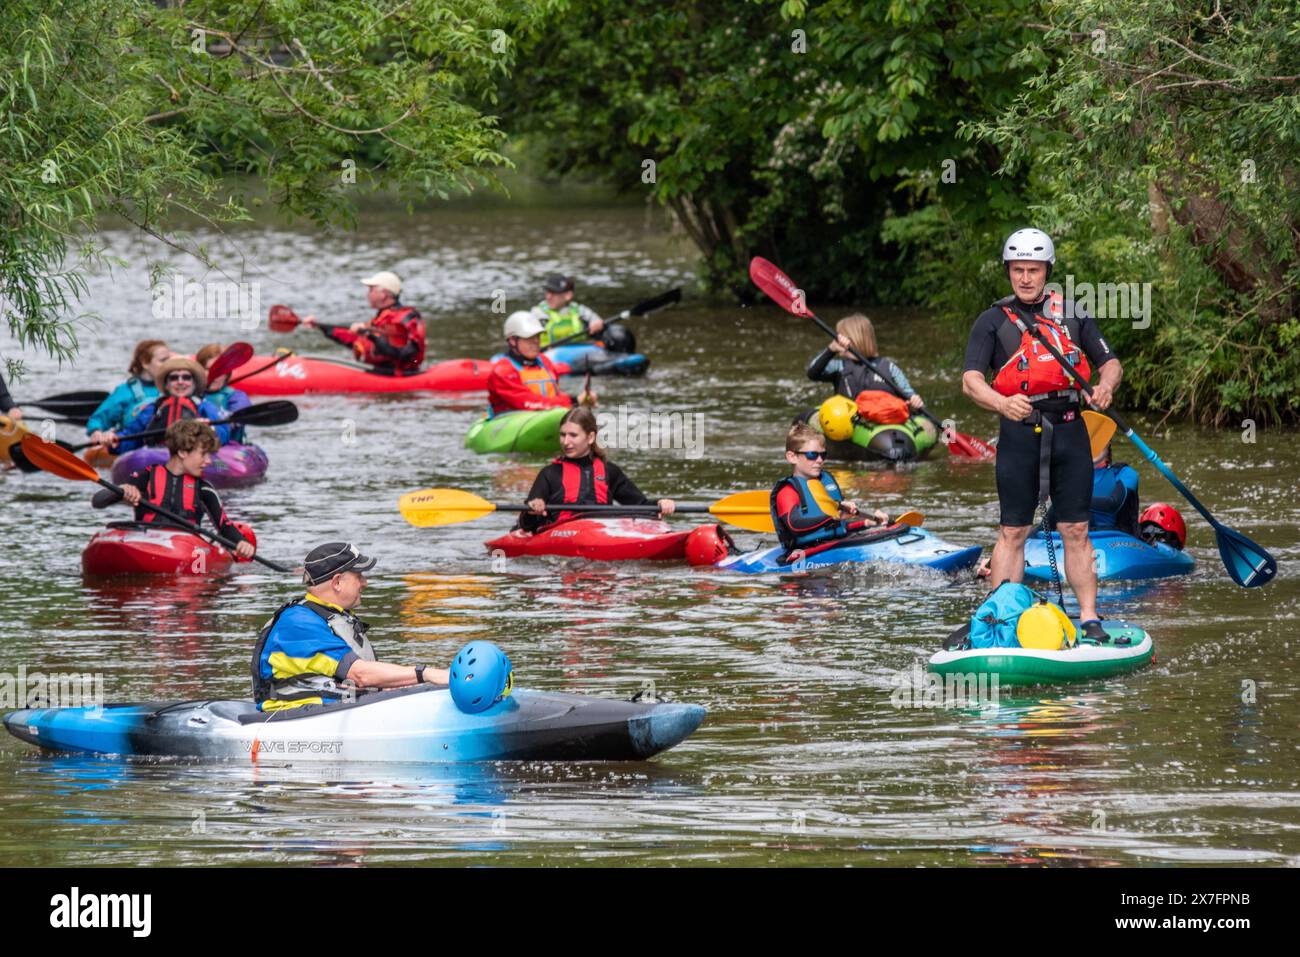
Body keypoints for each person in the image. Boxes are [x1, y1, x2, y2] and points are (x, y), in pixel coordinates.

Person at [961, 227, 1123, 641]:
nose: (1026, 278)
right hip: (1018, 432)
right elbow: (971, 381)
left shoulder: (1074, 314)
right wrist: (1001, 403)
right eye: (1018, 270)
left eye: (1033, 270)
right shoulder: (992, 321)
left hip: (1070, 432)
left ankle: (1089, 618)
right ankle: (1001, 618)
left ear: (1047, 271)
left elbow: (1110, 362)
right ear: (1009, 272)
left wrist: (1105, 387)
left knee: (1076, 530)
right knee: (1013, 531)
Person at [251, 542, 450, 711]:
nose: (365, 582)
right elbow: (360, 674)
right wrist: (426, 673)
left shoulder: (331, 616)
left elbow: (354, 679)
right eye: (359, 576)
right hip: (300, 720)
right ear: (337, 582)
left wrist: (393, 685)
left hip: (337, 712)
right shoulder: (298, 624)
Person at [93, 420, 255, 560]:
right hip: (145, 543)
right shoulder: (145, 477)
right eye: (203, 455)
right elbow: (98, 502)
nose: (208, 461)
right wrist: (122, 490)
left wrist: (242, 543)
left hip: (184, 549)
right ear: (183, 452)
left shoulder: (204, 489)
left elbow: (224, 527)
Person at [519, 406, 673, 532]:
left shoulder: (609, 471)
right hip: (561, 536)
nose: (566, 442)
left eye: (573, 435)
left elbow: (640, 507)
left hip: (602, 533)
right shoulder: (550, 473)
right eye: (563, 435)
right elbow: (526, 524)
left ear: (591, 437)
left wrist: (660, 504)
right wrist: (533, 509)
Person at [771, 423, 890, 563]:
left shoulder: (826, 482)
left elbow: (840, 528)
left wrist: (867, 523)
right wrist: (833, 516)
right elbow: (795, 526)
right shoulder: (788, 491)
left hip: (835, 544)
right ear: (792, 457)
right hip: (806, 554)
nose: (820, 460)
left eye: (823, 455)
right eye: (812, 455)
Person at [301, 271, 425, 374]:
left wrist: (369, 335)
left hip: (400, 374)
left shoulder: (407, 318)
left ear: (384, 294)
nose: (367, 294)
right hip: (379, 372)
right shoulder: (381, 319)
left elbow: (404, 353)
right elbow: (352, 339)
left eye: (371, 290)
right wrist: (320, 325)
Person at [106, 356, 230, 453]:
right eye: (174, 378)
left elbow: (224, 433)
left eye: (186, 377)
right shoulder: (153, 409)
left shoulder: (205, 407)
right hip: (156, 454)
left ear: (194, 383)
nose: (180, 382)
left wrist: (211, 430)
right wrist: (116, 441)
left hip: (193, 456)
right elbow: (131, 435)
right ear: (166, 384)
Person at [806, 313, 924, 412]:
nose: (837, 340)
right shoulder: (839, 366)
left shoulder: (889, 367)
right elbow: (812, 373)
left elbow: (910, 395)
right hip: (850, 425)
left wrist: (915, 401)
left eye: (840, 337)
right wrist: (831, 349)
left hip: (884, 425)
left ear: (854, 338)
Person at [487, 311, 595, 416]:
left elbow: (555, 394)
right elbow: (527, 403)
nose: (536, 342)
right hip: (510, 420)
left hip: (546, 415)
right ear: (512, 341)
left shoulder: (544, 362)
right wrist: (574, 401)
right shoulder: (503, 370)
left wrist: (583, 400)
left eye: (537, 336)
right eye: (529, 337)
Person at [86, 339, 171, 442]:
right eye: (163, 360)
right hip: (133, 446)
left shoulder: (175, 387)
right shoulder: (125, 392)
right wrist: (96, 431)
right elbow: (97, 419)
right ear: (145, 363)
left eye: (169, 360)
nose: (169, 365)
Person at [196, 342, 252, 445]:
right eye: (208, 369)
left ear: (227, 373)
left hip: (230, 447)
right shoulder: (191, 395)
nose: (215, 374)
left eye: (220, 370)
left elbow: (236, 421)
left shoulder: (237, 398)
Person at [532, 273, 606, 349]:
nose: (548, 297)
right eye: (548, 292)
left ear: (568, 295)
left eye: (554, 293)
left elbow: (596, 320)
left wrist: (596, 322)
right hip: (548, 355)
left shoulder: (580, 310)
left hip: (579, 352)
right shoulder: (537, 313)